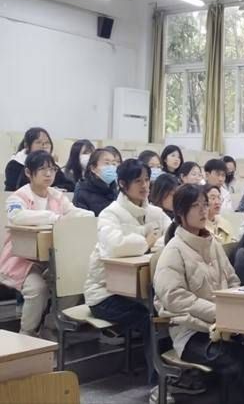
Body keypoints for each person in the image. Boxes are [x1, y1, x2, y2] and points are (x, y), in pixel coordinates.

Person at [153, 184, 244, 404]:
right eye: (196, 206)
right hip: (191, 333)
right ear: (180, 213)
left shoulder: (213, 244)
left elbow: (233, 280)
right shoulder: (173, 251)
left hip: (224, 326)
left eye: (205, 204)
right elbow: (175, 298)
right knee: (235, 363)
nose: (203, 210)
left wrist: (231, 310)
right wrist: (217, 312)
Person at [83, 158, 171, 392]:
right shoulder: (110, 214)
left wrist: (149, 242)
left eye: (147, 180)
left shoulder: (155, 212)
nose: (145, 186)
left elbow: (172, 238)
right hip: (104, 294)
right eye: (138, 181)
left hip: (138, 291)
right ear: (122, 184)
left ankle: (173, 373)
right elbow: (115, 246)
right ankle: (158, 382)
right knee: (148, 317)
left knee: (169, 310)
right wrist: (146, 241)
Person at [0, 151, 93, 337]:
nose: (49, 174)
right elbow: (17, 216)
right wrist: (52, 217)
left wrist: (89, 216)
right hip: (21, 259)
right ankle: (26, 334)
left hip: (52, 257)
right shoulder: (18, 197)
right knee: (37, 289)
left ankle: (51, 325)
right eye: (42, 169)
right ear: (29, 172)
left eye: (52, 169)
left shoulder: (57, 195)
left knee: (72, 285)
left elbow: (73, 212)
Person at [4, 127, 75, 192]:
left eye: (47, 143)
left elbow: (70, 185)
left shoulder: (52, 165)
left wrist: (55, 189)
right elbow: (15, 189)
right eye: (38, 142)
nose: (44, 146)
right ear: (27, 146)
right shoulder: (15, 164)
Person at [72, 149, 119, 216]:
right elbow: (81, 219)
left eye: (113, 164)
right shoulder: (82, 191)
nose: (111, 167)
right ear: (93, 168)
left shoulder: (115, 189)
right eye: (106, 163)